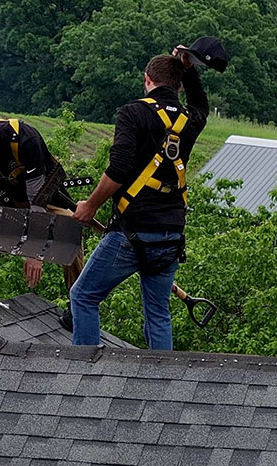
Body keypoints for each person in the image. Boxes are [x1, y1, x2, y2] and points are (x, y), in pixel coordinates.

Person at [69, 44, 214, 349]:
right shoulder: (191, 120)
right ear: (178, 85)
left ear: (147, 79)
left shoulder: (133, 112)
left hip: (131, 233)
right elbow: (201, 103)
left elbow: (120, 169)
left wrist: (90, 206)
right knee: (158, 314)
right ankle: (161, 382)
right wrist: (187, 68)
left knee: (83, 297)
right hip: (171, 236)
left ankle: (82, 376)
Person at [0, 104, 87, 319]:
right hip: (6, 198)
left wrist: (34, 251)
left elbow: (36, 202)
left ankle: (78, 308)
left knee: (69, 231)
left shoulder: (25, 139)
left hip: (42, 199)